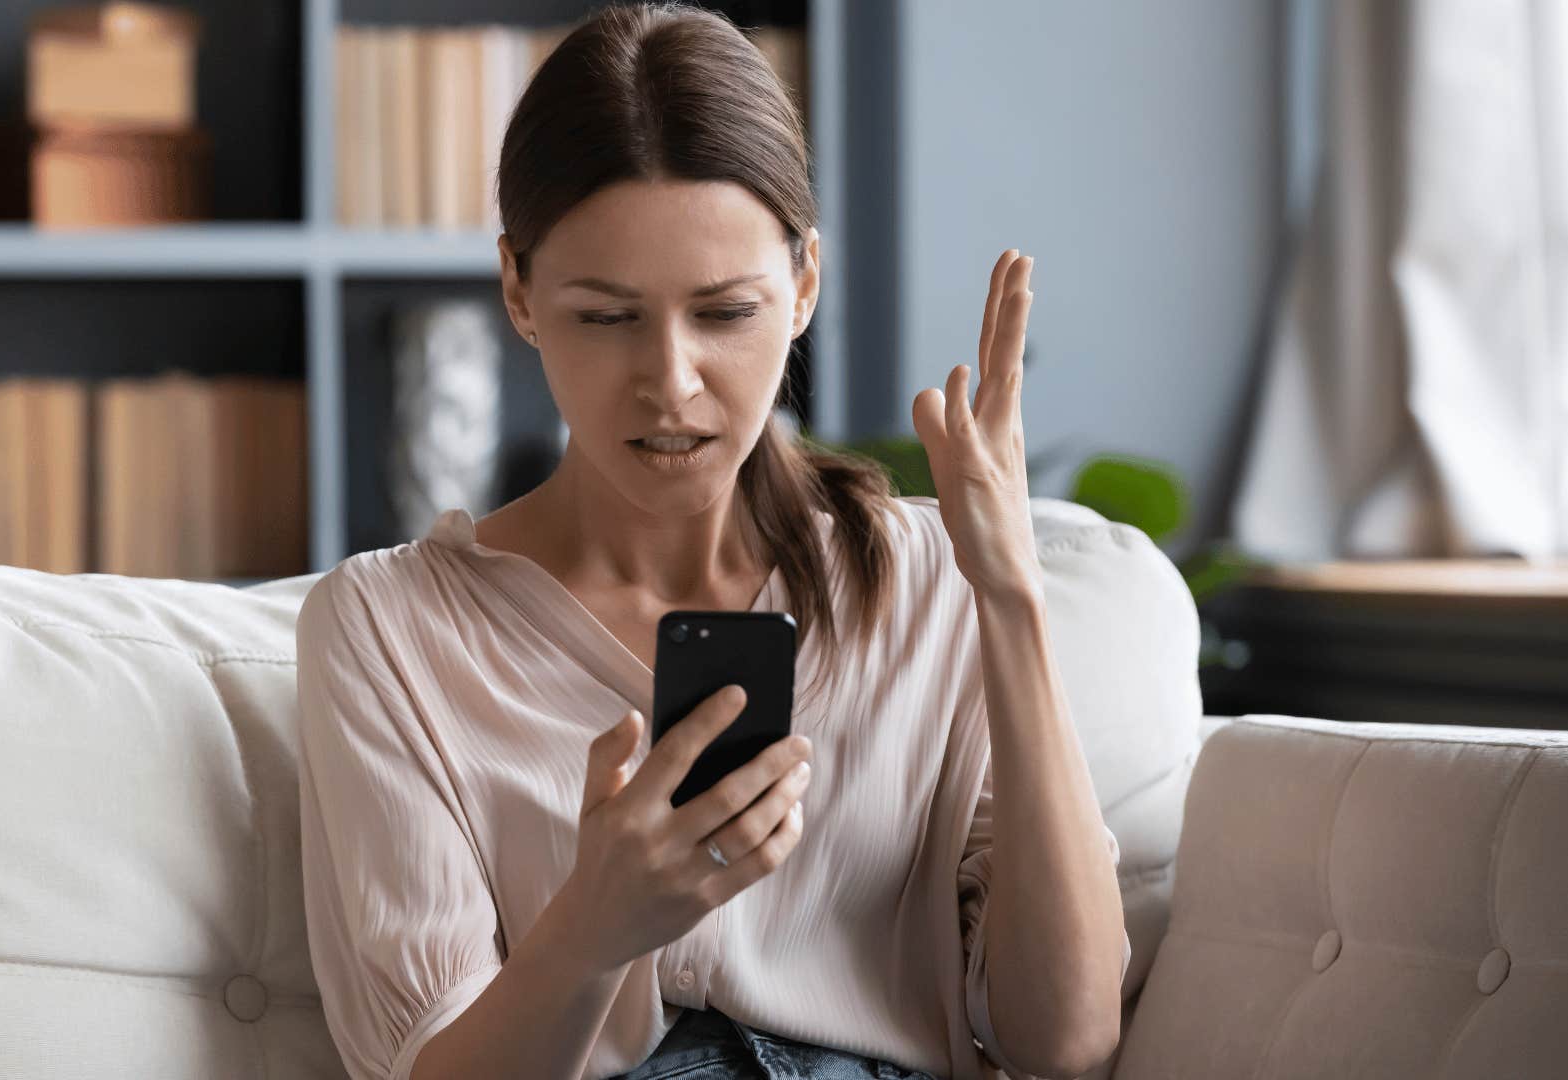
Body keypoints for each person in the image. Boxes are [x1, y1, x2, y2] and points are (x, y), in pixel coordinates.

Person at [294, 4, 1131, 1078]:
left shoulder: (932, 582)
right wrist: (595, 931)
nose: (672, 382)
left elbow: (1065, 1043)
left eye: (726, 313)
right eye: (606, 316)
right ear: (518, 290)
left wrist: (1010, 600)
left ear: (804, 287)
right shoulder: (389, 630)